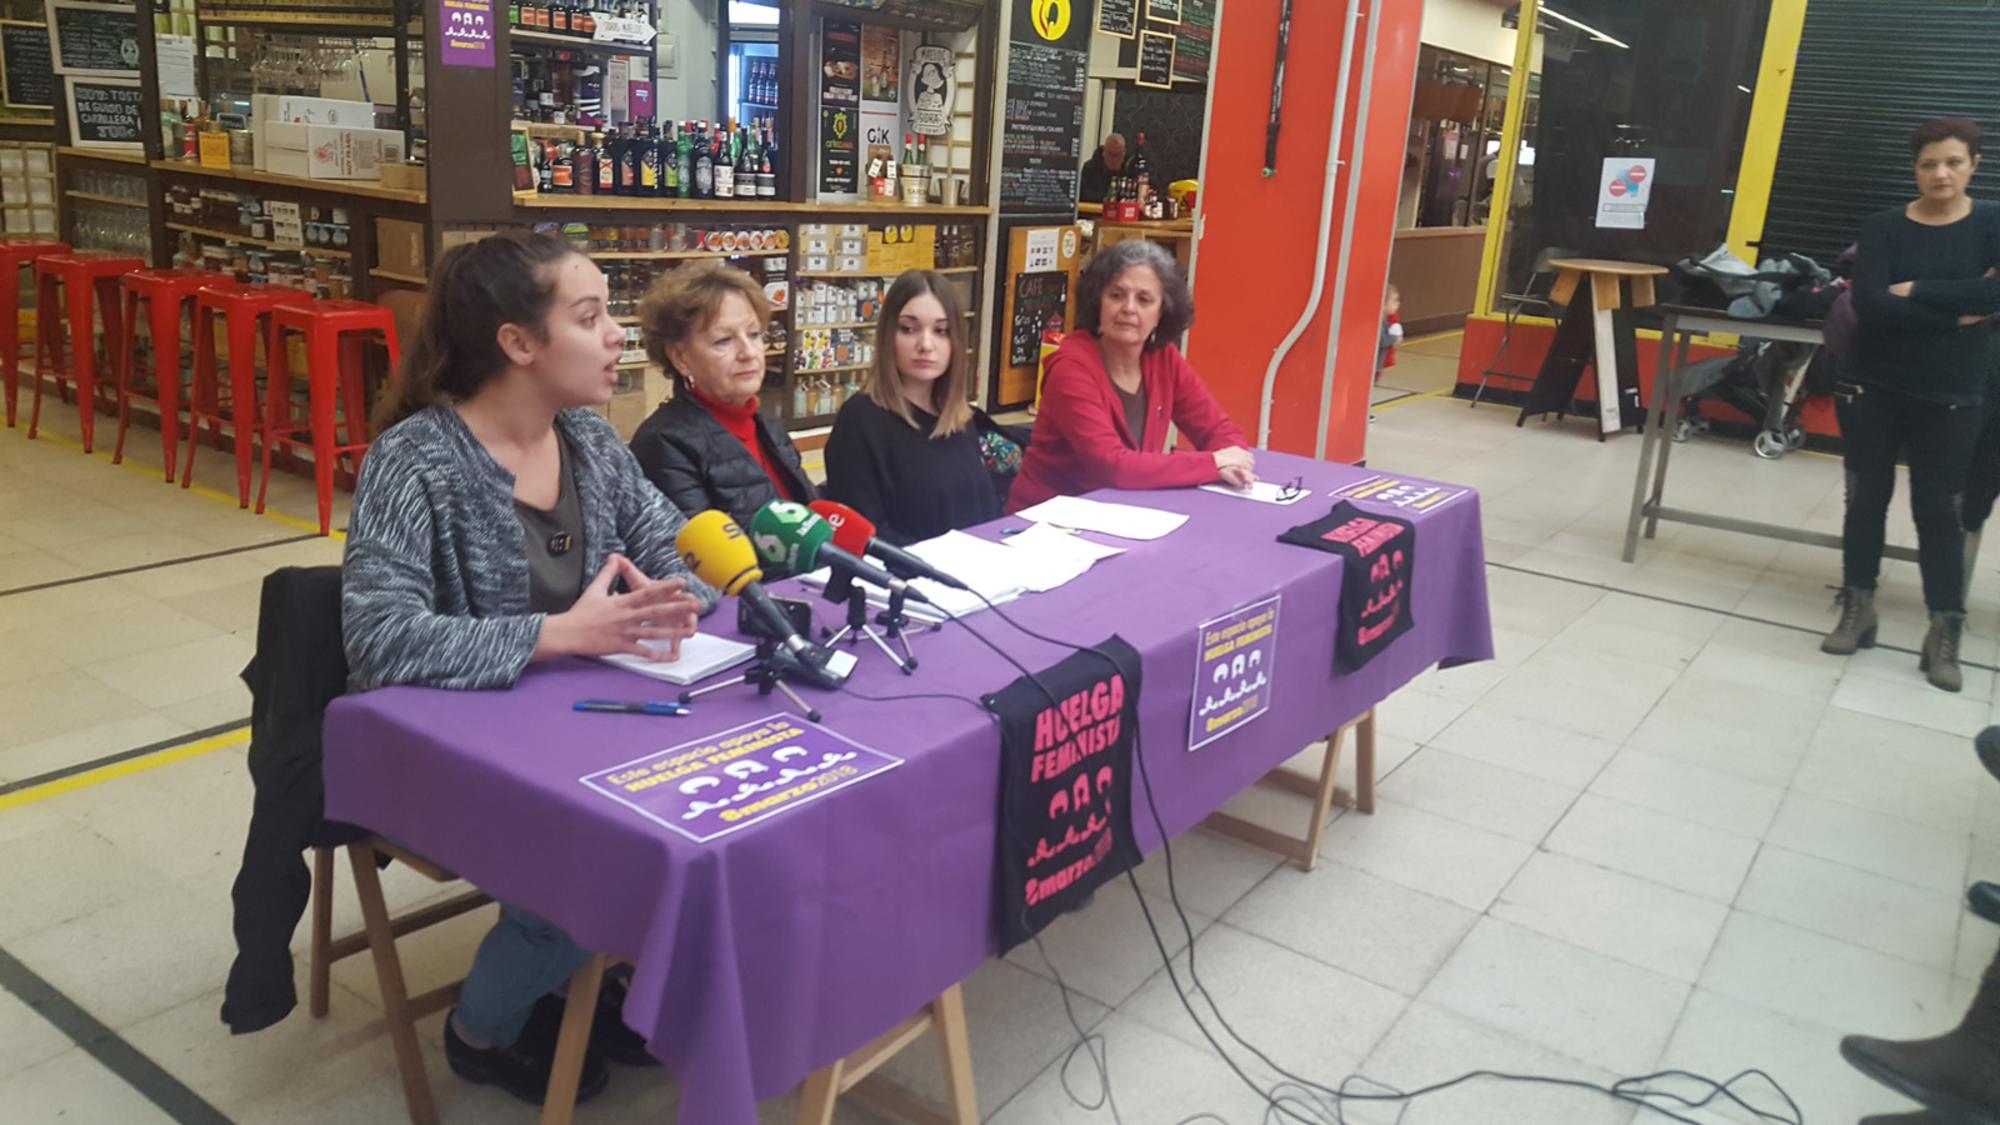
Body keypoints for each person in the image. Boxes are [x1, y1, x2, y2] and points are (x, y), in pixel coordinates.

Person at [342, 230, 717, 1105]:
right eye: (589, 317)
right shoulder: (415, 460)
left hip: (587, 730)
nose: (618, 332)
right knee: (589, 865)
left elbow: (673, 548)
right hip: (455, 756)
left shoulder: (587, 439)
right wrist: (560, 633)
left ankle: (599, 975)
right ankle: (481, 1029)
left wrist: (684, 587)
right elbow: (378, 638)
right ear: (518, 344)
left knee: (700, 814)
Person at [1822, 117, 2000, 692]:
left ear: (1975, 162)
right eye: (1928, 164)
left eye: (1952, 161)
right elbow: (1870, 307)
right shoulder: (1883, 227)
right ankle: (1858, 607)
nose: (1940, 173)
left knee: (1939, 512)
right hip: (1873, 383)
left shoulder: (1994, 223)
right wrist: (1960, 315)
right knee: (1865, 499)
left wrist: (1917, 290)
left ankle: (1944, 630)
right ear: (1914, 169)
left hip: (1954, 392)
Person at [1007, 239, 1256, 513]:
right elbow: (1111, 466)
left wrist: (1233, 460)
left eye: (1144, 299)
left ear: (1161, 312)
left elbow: (1218, 430)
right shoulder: (1071, 368)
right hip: (1046, 525)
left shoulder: (1164, 358)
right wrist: (1213, 464)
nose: (1128, 308)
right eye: (1116, 295)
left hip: (1124, 515)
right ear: (1097, 301)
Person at [823, 269, 1016, 542]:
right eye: (909, 329)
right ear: (888, 335)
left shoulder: (961, 418)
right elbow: (866, 538)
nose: (925, 345)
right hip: (911, 578)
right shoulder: (860, 421)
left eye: (941, 331)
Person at [629, 261, 815, 529]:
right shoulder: (664, 444)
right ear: (680, 357)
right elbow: (698, 559)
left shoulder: (767, 425)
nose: (748, 352)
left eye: (753, 334)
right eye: (723, 341)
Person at [1079, 131, 1128, 204]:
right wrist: (1109, 198)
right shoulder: (1090, 167)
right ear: (1104, 152)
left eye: (1117, 155)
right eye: (1110, 154)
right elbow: (1082, 194)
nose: (1114, 159)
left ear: (1124, 153)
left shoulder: (1130, 168)